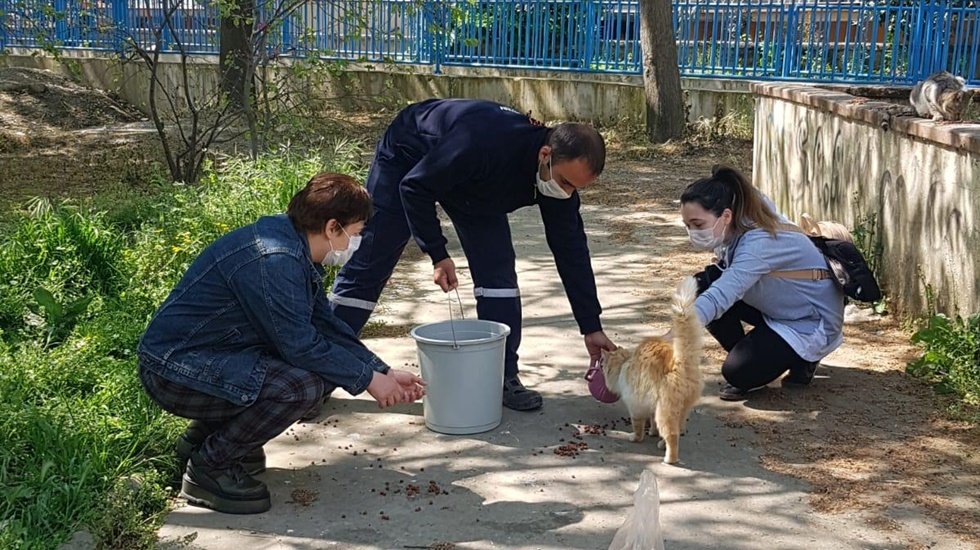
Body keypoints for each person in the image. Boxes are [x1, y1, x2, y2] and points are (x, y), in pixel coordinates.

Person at [137, 173, 425, 515]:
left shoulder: (290, 243)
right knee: (300, 387)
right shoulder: (275, 260)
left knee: (324, 371)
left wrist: (381, 370)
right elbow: (301, 346)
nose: (355, 243)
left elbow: (325, 325)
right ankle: (210, 467)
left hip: (203, 359)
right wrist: (368, 382)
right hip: (173, 370)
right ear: (334, 227)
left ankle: (202, 440)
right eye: (356, 233)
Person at [327, 98, 617, 411]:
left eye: (576, 188)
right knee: (372, 261)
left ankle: (502, 376)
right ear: (545, 155)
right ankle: (321, 367)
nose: (567, 193)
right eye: (565, 182)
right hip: (410, 155)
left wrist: (591, 326)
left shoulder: (556, 180)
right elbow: (414, 187)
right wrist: (437, 253)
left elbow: (571, 251)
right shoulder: (483, 142)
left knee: (498, 275)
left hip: (475, 187)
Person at [679, 166, 845, 401]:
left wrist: (677, 332)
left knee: (737, 372)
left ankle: (799, 358)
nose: (692, 233)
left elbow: (723, 293)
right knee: (699, 286)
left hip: (807, 318)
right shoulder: (738, 218)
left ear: (726, 216)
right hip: (781, 302)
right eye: (687, 226)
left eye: (697, 225)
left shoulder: (758, 241)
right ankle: (757, 355)